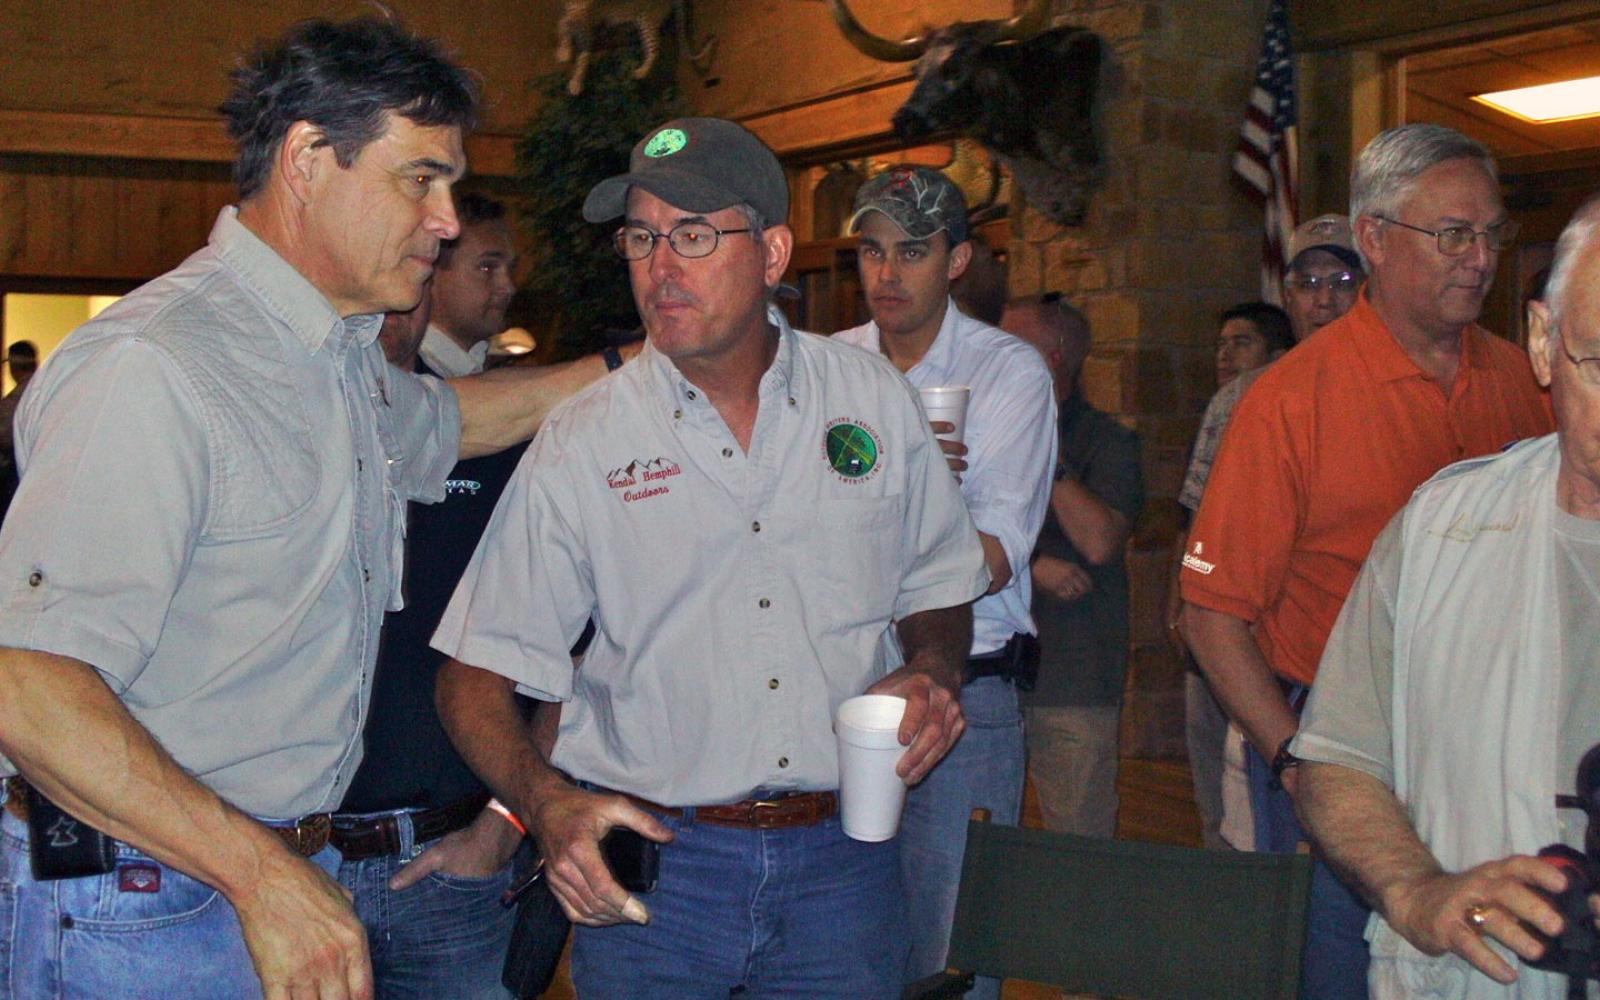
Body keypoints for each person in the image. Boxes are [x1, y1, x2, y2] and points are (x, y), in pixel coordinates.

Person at [0, 18, 620, 1000]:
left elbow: (456, 422)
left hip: (256, 870)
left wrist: (636, 366)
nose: (446, 221)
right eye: (421, 179)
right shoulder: (156, 365)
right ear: (307, 160)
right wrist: (261, 877)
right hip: (151, 895)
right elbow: (27, 683)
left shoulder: (331, 361)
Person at [432, 117, 989, 999]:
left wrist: (933, 667)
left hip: (845, 868)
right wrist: (544, 803)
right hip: (658, 883)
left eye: (692, 236)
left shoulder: (873, 402)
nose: (660, 267)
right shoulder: (585, 439)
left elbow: (940, 581)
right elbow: (473, 674)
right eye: (641, 238)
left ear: (772, 253)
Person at [1180, 123, 1554, 1000]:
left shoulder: (1523, 381)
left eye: (1490, 234)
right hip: (1340, 745)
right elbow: (1212, 617)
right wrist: (1294, 761)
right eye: (1452, 235)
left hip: (1494, 730)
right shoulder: (1290, 400)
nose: (1480, 260)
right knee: (1339, 975)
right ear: (1376, 239)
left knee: (1490, 959)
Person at [1294, 195, 1600, 999]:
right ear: (1544, 342)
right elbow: (1340, 758)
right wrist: (1416, 890)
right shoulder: (1443, 531)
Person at [334, 191, 613, 999]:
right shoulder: (288, 435)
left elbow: (578, 657)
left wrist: (505, 824)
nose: (393, 307)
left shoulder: (509, 435)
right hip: (294, 858)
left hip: (451, 860)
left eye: (410, 278)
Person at [833, 165, 1056, 999]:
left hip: (968, 695)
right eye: (873, 250)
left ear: (957, 260)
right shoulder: (827, 367)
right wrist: (919, 478)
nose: (887, 273)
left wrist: (881, 494)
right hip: (845, 685)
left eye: (913, 251)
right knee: (840, 952)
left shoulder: (1007, 374)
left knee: (952, 962)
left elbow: (989, 562)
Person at [1002, 294, 1143, 839]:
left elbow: (1100, 541)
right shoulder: (983, 432)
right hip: (989, 670)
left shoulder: (1108, 440)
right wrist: (1033, 563)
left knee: (1078, 834)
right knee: (984, 834)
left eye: (1011, 343)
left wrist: (1047, 452)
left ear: (1053, 356)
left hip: (1072, 672)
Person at [1170, 301, 1294, 850]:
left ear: (1277, 352)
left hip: (1269, 629)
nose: (1225, 354)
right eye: (1221, 344)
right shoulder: (1226, 405)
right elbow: (1193, 511)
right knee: (1213, 780)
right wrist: (1180, 598)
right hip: (1214, 608)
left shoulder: (1276, 397)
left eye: (1241, 342)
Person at [0, 339, 38, 523]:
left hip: (14, 477)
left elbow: (4, 436)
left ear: (13, 367)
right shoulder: (46, 391)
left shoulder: (15, 401)